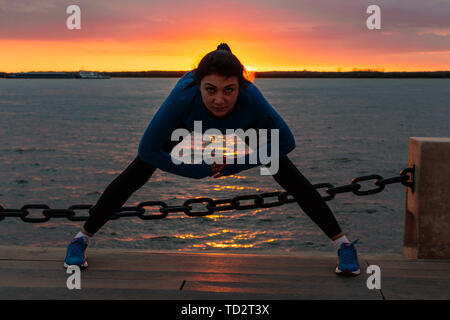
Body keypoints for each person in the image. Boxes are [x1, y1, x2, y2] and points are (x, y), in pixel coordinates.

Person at [64, 43, 360, 276]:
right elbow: (148, 150)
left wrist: (234, 164)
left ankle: (343, 246)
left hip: (241, 123)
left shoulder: (250, 99)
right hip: (188, 123)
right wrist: (194, 170)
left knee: (284, 170)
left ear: (240, 86)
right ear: (198, 84)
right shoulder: (182, 97)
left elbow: (286, 142)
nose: (220, 99)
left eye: (229, 90)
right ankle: (80, 239)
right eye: (211, 90)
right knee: (139, 171)